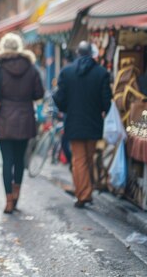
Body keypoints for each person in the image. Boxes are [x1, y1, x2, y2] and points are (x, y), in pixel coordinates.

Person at [0, 33, 44, 214]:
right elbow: (39, 93)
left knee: (6, 161)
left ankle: (8, 200)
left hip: (4, 119)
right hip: (25, 118)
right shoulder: (31, 68)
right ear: (19, 48)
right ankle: (16, 197)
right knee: (19, 161)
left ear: (4, 48)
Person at [53, 41, 112, 208]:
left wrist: (66, 109)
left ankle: (82, 194)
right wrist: (99, 110)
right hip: (94, 122)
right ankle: (85, 192)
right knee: (88, 158)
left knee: (78, 160)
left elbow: (59, 98)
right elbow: (106, 102)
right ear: (92, 54)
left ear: (77, 53)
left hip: (73, 121)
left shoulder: (67, 72)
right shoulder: (101, 73)